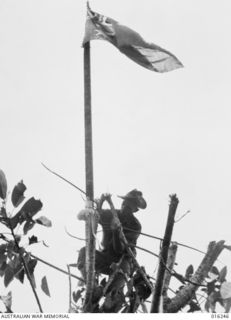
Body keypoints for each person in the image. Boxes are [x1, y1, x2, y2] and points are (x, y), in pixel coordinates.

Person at [77, 189, 147, 311]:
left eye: (130, 204)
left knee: (111, 296)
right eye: (125, 202)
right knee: (84, 252)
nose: (125, 205)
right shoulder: (111, 214)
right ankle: (92, 286)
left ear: (135, 209)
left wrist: (116, 231)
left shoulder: (135, 225)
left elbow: (119, 250)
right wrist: (100, 203)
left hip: (122, 263)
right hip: (105, 258)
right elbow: (92, 215)